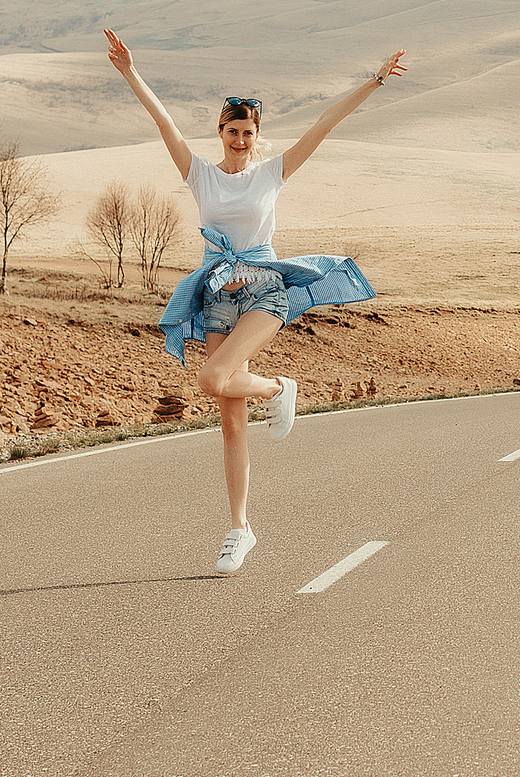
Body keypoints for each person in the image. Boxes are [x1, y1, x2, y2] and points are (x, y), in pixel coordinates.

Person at [103, 30, 402, 573]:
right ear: (220, 132)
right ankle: (239, 528)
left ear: (257, 135)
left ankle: (278, 387)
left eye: (248, 131)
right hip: (218, 297)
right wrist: (129, 71)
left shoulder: (273, 172)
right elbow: (163, 122)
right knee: (229, 418)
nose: (240, 139)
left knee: (212, 380)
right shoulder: (199, 175)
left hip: (265, 289)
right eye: (232, 130)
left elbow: (326, 123)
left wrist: (376, 80)